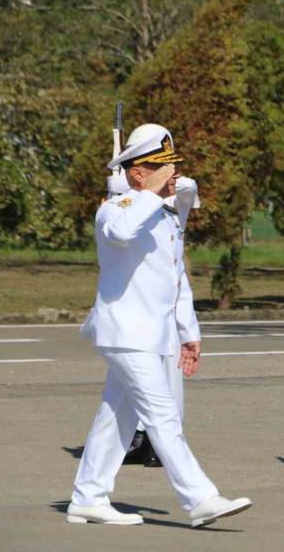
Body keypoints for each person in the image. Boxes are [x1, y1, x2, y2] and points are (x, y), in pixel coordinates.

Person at [69, 124, 251, 527]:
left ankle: (88, 497)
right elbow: (120, 232)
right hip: (125, 333)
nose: (173, 175)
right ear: (137, 174)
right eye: (161, 167)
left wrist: (189, 333)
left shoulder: (164, 218)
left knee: (116, 416)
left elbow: (175, 280)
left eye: (173, 167)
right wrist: (151, 193)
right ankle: (200, 498)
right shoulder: (115, 209)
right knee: (163, 414)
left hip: (152, 335)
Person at [109, 168, 201, 469]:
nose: (171, 175)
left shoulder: (175, 200)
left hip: (166, 303)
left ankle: (161, 444)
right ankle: (138, 438)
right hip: (138, 304)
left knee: (168, 379)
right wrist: (122, 189)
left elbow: (187, 189)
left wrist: (160, 182)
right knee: (132, 385)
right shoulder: (133, 203)